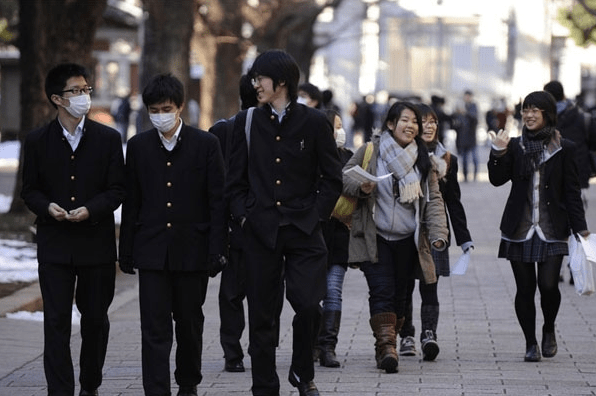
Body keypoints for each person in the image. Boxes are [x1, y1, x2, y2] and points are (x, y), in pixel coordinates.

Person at [226, 49, 342, 396]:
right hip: (260, 232)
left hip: (305, 231)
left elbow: (332, 178)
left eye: (259, 78)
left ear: (280, 82)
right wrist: (246, 217)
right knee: (262, 316)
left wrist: (316, 215)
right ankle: (264, 386)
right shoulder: (244, 123)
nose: (254, 84)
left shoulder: (314, 121)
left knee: (309, 305)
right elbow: (233, 183)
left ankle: (302, 371)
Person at [118, 73, 227, 396]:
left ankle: (188, 381)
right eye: (153, 110)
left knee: (189, 324)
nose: (160, 115)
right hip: (151, 250)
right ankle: (156, 389)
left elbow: (217, 201)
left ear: (180, 107)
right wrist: (126, 251)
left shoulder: (206, 144)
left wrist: (217, 249)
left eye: (166, 108)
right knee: (153, 326)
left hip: (192, 250)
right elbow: (132, 201)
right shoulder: (138, 146)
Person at [21, 63, 126, 396]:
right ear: (57, 99)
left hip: (95, 243)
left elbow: (117, 189)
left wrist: (91, 209)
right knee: (56, 322)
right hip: (55, 244)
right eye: (75, 91)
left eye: (86, 90)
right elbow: (30, 190)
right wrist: (46, 207)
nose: (83, 97)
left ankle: (89, 386)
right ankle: (60, 389)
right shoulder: (37, 140)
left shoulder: (108, 139)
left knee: (95, 320)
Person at [341, 101, 448, 374]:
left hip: (408, 241)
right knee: (381, 291)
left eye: (415, 122)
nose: (411, 126)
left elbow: (434, 200)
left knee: (401, 297)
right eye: (405, 120)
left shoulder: (424, 161)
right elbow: (345, 178)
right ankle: (386, 348)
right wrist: (362, 186)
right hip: (375, 236)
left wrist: (438, 234)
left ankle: (390, 337)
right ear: (391, 123)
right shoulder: (371, 151)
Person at [487, 90, 589, 362]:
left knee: (548, 286)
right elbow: (497, 179)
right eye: (525, 110)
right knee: (525, 288)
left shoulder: (564, 147)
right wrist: (497, 152)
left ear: (547, 115)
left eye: (535, 111)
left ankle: (548, 328)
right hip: (519, 227)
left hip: (552, 227)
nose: (529, 115)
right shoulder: (515, 145)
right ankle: (530, 343)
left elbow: (571, 192)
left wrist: (582, 229)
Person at [398, 104, 474, 361]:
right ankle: (406, 335)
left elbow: (453, 201)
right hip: (406, 230)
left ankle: (429, 334)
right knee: (405, 286)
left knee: (430, 286)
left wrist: (464, 238)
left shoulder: (447, 159)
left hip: (435, 234)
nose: (429, 127)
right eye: (424, 122)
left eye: (433, 122)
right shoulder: (399, 155)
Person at [209, 74, 258, 373]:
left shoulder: (222, 130)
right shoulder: (225, 131)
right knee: (240, 293)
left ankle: (239, 351)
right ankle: (240, 350)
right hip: (240, 225)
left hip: (248, 225)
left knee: (236, 293)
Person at [314, 109, 354, 368]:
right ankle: (310, 345)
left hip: (339, 236)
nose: (340, 131)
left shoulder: (350, 158)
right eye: (335, 126)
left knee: (332, 291)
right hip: (312, 237)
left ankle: (328, 346)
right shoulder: (308, 158)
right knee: (309, 295)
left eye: (341, 125)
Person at [543, 81, 593, 205]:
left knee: (555, 217)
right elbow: (593, 143)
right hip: (579, 174)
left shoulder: (544, 118)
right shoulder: (582, 116)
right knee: (577, 216)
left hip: (552, 176)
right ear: (563, 95)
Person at [453, 90, 479, 182]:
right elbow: (455, 123)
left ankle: (475, 175)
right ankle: (465, 176)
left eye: (469, 96)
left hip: (472, 137)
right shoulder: (459, 106)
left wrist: (465, 112)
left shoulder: (473, 106)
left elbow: (475, 119)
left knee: (475, 158)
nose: (467, 98)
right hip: (462, 138)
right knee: (464, 159)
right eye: (466, 96)